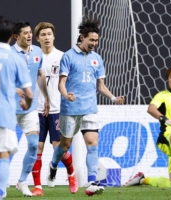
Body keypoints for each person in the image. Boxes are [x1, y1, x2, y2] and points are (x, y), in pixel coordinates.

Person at [49, 17, 124, 196]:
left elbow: (100, 86)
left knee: (92, 143)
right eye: (91, 40)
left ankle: (91, 182)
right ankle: (53, 164)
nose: (94, 43)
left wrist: (113, 98)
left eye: (96, 40)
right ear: (81, 37)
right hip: (70, 109)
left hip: (90, 108)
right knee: (65, 146)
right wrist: (66, 94)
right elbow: (61, 83)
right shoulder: (68, 56)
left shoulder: (97, 59)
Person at [0, 16, 33, 200]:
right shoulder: (15, 59)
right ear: (12, 37)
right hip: (4, 113)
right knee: (2, 155)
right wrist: (26, 104)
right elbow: (29, 94)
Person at [31, 22, 74, 196]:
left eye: (49, 34)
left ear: (54, 36)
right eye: (43, 35)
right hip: (36, 110)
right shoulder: (33, 57)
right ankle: (37, 186)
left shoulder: (63, 57)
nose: (47, 37)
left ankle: (71, 174)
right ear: (37, 38)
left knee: (60, 147)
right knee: (36, 147)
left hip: (58, 109)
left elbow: (70, 82)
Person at [124, 64, 171, 188]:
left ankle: (142, 180)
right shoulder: (162, 95)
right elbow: (151, 109)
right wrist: (166, 120)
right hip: (168, 136)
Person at [12, 20, 50, 197]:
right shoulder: (9, 54)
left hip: (30, 108)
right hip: (9, 108)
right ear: (15, 36)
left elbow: (40, 75)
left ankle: (22, 181)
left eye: (29, 32)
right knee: (5, 147)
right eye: (25, 33)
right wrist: (16, 89)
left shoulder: (36, 52)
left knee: (34, 145)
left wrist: (46, 98)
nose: (29, 36)